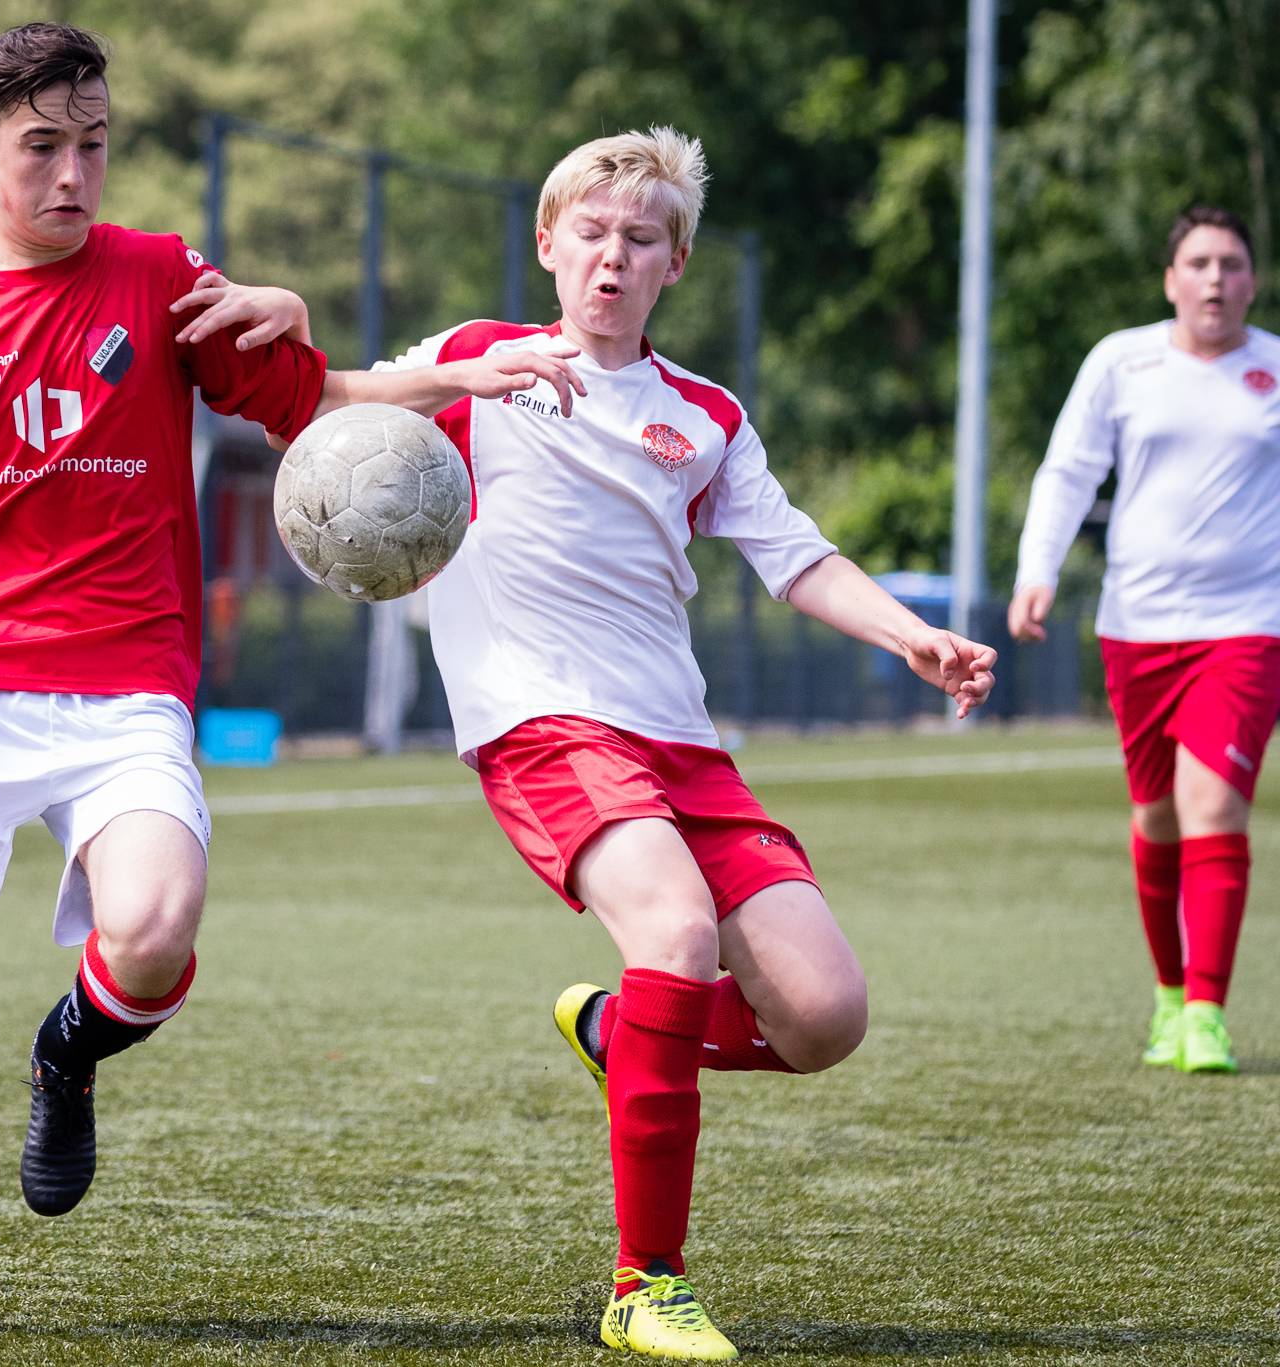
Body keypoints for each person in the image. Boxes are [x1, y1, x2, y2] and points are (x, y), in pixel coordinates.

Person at [0, 22, 548, 1332]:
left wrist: (438, 365)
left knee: (154, 928)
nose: (72, 173)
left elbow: (310, 401)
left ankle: (65, 1054)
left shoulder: (161, 276)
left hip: (127, 685)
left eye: (93, 143)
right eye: (41, 148)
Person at [337, 129, 997, 1360]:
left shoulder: (703, 415)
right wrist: (452, 381)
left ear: (673, 262)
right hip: (541, 721)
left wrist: (910, 633)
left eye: (639, 238)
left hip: (680, 741)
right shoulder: (479, 356)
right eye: (589, 233)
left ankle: (619, 1028)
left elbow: (794, 554)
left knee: (822, 1016)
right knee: (676, 935)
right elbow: (325, 406)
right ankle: (645, 1283)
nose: (611, 257)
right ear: (547, 243)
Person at [1010, 204, 1278, 1077]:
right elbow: (1068, 470)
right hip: (1136, 628)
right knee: (1156, 814)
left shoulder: (1274, 369)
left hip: (1246, 628)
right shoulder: (1120, 362)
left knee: (1213, 806)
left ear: (1253, 281)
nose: (1215, 279)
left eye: (1231, 264)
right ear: (1170, 281)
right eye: (1198, 263)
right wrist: (1037, 568)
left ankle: (1207, 1012)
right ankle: (1168, 997)